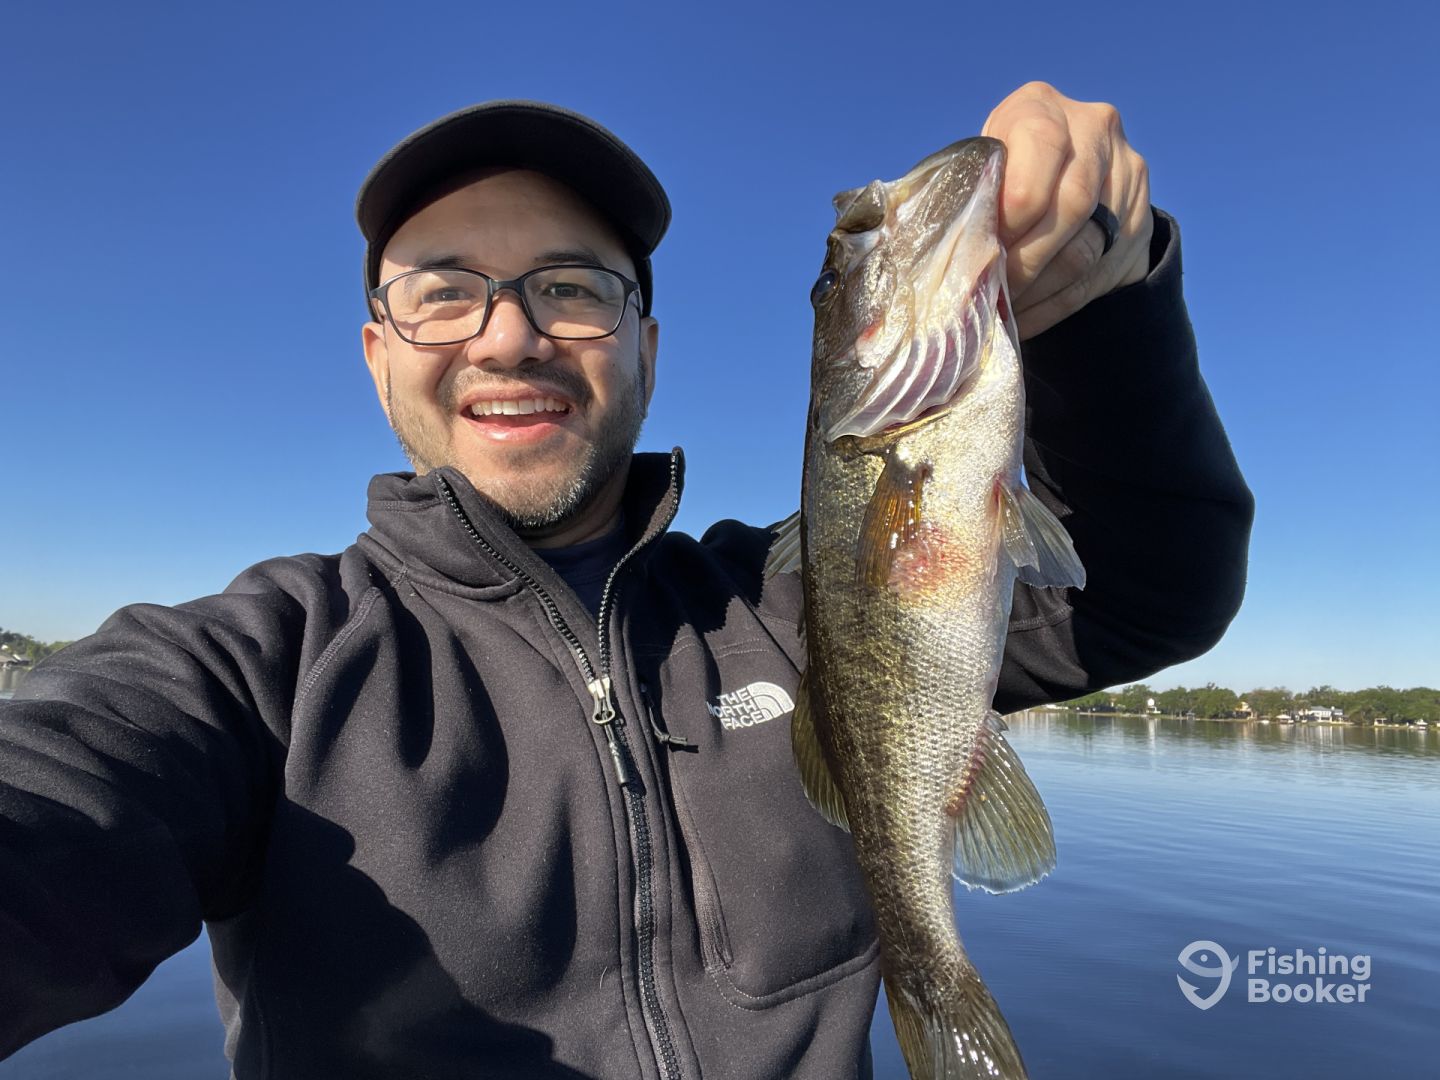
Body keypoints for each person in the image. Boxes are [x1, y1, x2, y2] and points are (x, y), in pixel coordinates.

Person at [0, 84, 1253, 1078]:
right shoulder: (255, 668)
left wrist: (1104, 303)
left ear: (646, 349)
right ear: (378, 355)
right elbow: (54, 804)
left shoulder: (786, 605)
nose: (510, 335)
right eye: (444, 292)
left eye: (570, 288)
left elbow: (1154, 589)